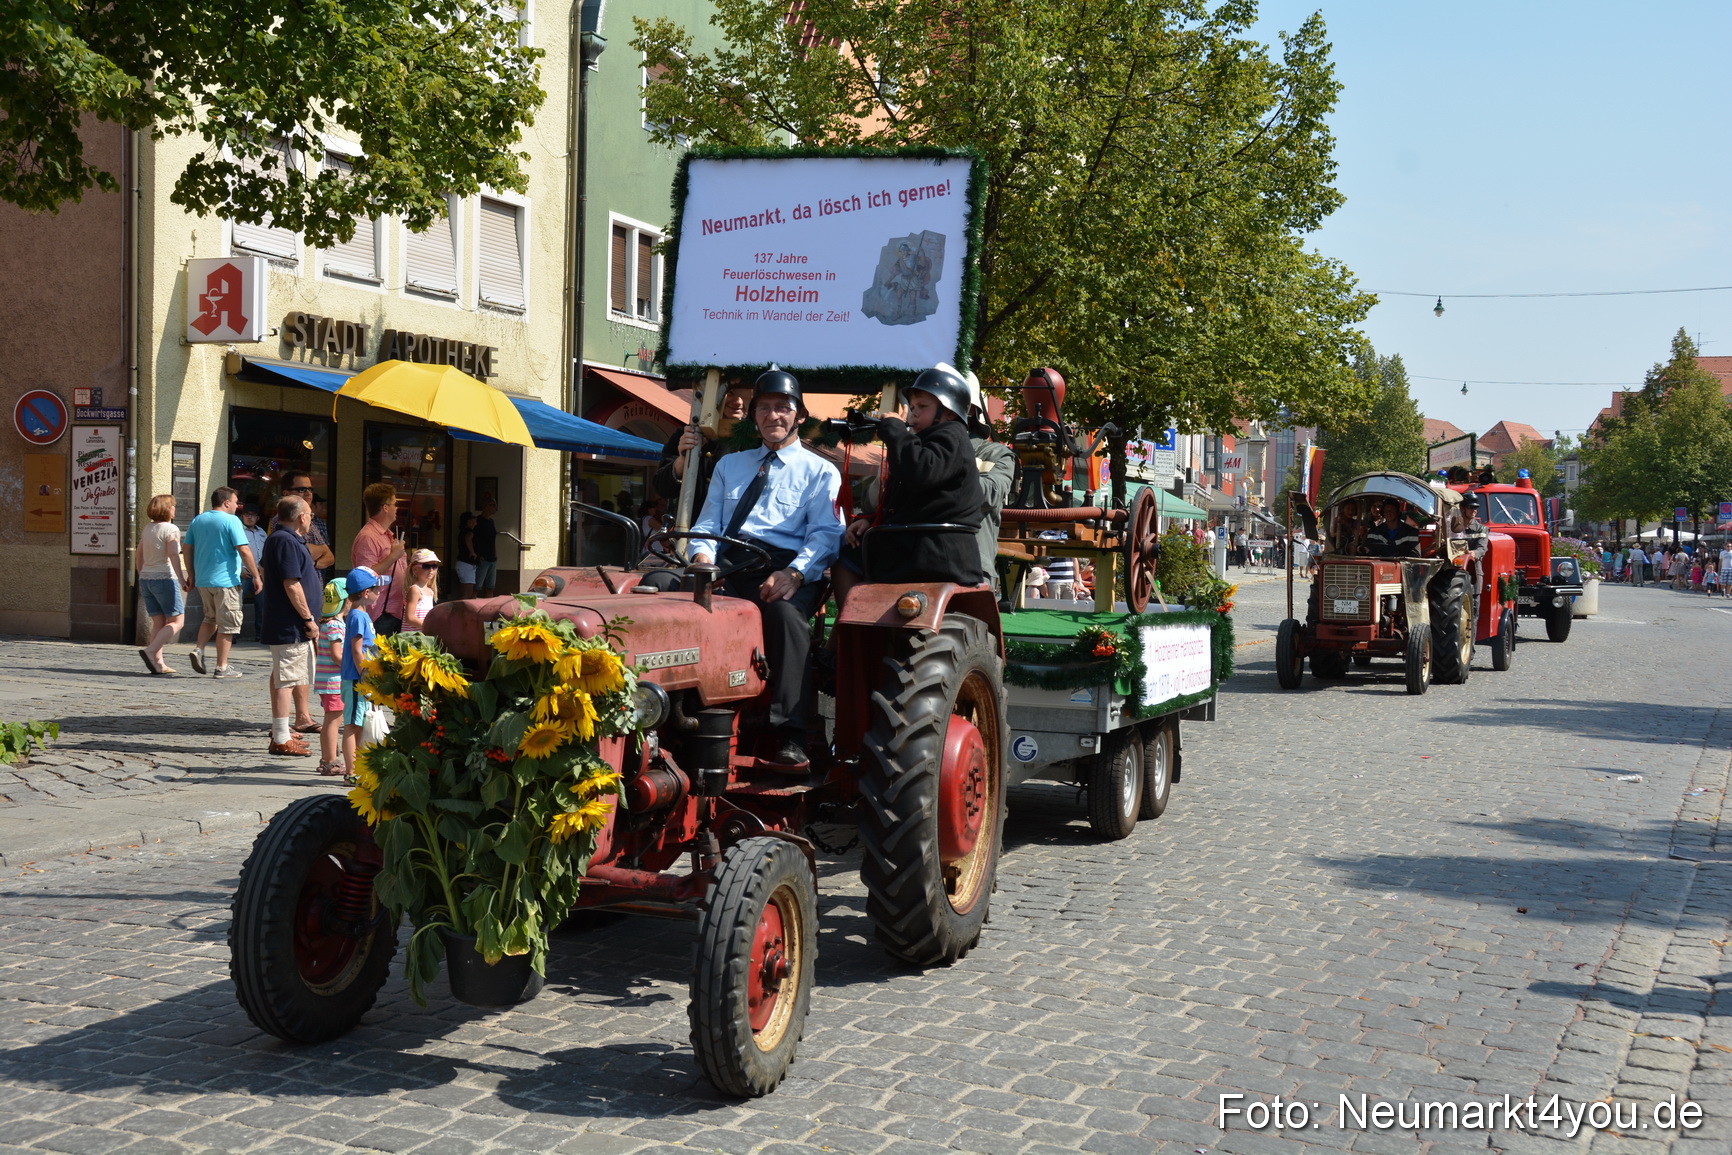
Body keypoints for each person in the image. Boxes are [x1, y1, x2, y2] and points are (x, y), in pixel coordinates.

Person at [690, 368, 844, 768]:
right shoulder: (730, 465)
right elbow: (708, 523)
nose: (773, 415)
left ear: (799, 416)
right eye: (764, 408)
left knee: (786, 619)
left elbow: (826, 535)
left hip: (786, 568)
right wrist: (702, 558)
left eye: (782, 408)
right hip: (728, 562)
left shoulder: (820, 470)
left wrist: (795, 574)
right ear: (754, 416)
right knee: (665, 592)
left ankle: (790, 732)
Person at [833, 365, 987, 608]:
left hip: (935, 551)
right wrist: (871, 519)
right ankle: (852, 634)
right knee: (848, 551)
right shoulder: (925, 441)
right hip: (919, 545)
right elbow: (908, 497)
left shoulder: (951, 434)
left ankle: (847, 633)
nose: (912, 414)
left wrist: (895, 430)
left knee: (845, 559)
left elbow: (921, 472)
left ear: (949, 413)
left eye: (922, 407)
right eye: (912, 408)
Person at [260, 496, 323, 757]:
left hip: (287, 621)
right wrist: (308, 619)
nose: (311, 518)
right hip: (290, 623)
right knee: (287, 678)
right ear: (301, 517)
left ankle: (281, 730)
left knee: (281, 675)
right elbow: (291, 583)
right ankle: (281, 738)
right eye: (309, 514)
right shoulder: (285, 540)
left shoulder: (284, 538)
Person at [182, 486, 262, 677]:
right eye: (235, 502)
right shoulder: (231, 520)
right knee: (228, 624)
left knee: (210, 618)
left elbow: (186, 548)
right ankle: (222, 666)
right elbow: (244, 549)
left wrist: (191, 574)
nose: (237, 506)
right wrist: (257, 576)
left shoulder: (198, 520)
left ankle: (199, 649)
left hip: (203, 581)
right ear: (227, 502)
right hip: (226, 582)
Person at [655, 380, 756, 515]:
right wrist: (683, 459)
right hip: (691, 525)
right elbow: (663, 488)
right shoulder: (687, 433)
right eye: (730, 393)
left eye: (744, 395)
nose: (738, 402)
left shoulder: (756, 439)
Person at [963, 371, 1018, 592]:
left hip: (970, 568)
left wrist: (945, 456)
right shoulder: (916, 450)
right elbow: (874, 498)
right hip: (909, 563)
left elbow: (990, 493)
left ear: (969, 410)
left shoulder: (997, 453)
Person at [135, 494, 189, 676]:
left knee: (158, 622)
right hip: (164, 578)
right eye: (172, 506)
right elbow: (174, 555)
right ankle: (151, 650)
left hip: (147, 578)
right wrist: (182, 578)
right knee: (177, 621)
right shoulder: (171, 528)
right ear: (167, 509)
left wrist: (141, 573)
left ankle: (158, 663)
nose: (175, 509)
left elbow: (138, 554)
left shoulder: (148, 528)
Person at [339, 567, 382, 775]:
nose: (379, 592)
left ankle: (356, 768)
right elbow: (357, 651)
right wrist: (366, 677)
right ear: (366, 593)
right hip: (357, 679)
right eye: (377, 589)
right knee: (352, 726)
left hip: (359, 679)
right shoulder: (357, 616)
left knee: (358, 724)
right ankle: (351, 772)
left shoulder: (361, 615)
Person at [351, 482, 407, 631]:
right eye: (395, 504)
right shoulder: (367, 537)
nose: (397, 508)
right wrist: (393, 556)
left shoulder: (388, 535)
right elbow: (365, 576)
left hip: (396, 610)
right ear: (385, 507)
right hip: (380, 613)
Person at [314, 577, 349, 777]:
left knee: (332, 720)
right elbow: (337, 655)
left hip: (328, 681)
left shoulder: (329, 623)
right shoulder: (335, 625)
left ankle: (329, 757)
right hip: (334, 682)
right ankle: (329, 761)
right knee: (333, 721)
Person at [274, 472, 336, 572]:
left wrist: (313, 563)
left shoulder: (310, 521)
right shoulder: (281, 519)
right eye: (302, 489)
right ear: (286, 494)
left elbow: (330, 557)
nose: (308, 493)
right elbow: (293, 552)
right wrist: (319, 550)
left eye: (310, 489)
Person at [403, 549, 441, 633]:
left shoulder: (430, 591)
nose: (431, 569)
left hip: (423, 635)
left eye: (434, 566)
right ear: (415, 569)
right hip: (413, 637)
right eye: (426, 566)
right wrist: (430, 626)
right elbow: (410, 618)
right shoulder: (415, 590)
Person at [473, 498, 500, 596]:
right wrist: (478, 554)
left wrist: (495, 552)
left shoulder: (491, 521)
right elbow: (474, 539)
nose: (495, 508)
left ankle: (489, 608)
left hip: (492, 557)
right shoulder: (478, 521)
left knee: (490, 587)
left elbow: (492, 539)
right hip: (482, 558)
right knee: (476, 587)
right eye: (492, 505)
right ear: (486, 506)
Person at [454, 511, 478, 598]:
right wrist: (472, 552)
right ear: (468, 521)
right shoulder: (468, 532)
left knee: (466, 592)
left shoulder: (463, 531)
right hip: (466, 564)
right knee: (467, 593)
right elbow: (468, 539)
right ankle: (463, 611)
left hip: (465, 564)